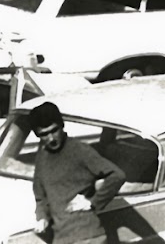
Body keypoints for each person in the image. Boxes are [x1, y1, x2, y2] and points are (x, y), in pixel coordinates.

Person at [30, 100, 125, 244]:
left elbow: (117, 175)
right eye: (44, 134)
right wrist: (42, 217)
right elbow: (40, 195)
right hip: (62, 238)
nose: (51, 138)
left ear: (62, 126)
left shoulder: (80, 150)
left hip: (89, 237)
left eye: (54, 130)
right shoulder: (42, 156)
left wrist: (92, 202)